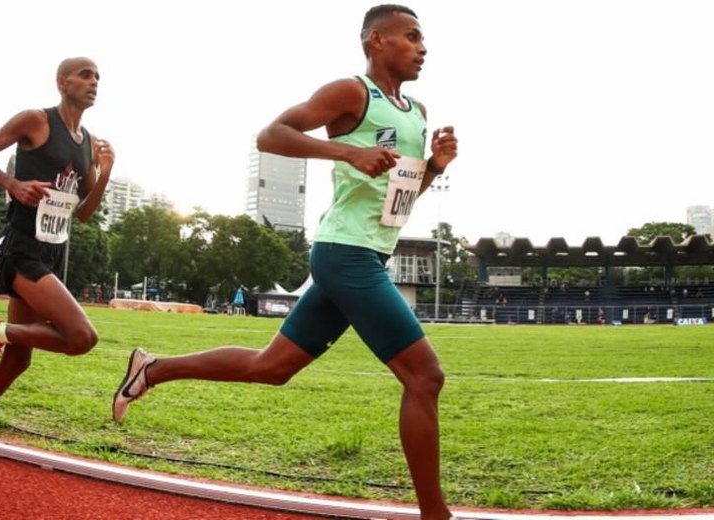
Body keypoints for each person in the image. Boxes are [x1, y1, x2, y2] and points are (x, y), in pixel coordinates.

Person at [112, 5, 458, 519]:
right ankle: (436, 515)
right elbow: (270, 134)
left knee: (270, 368)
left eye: (423, 39)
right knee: (425, 378)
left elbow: (400, 200)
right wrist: (346, 154)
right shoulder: (351, 93)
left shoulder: (417, 112)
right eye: (412, 36)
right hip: (345, 254)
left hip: (368, 254)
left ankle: (152, 369)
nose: (423, 47)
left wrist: (433, 166)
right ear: (376, 41)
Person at [0, 57, 113, 469]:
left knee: (17, 361)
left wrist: (104, 173)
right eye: (85, 74)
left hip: (51, 250)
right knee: (82, 337)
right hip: (20, 248)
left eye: (98, 76)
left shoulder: (88, 143)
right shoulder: (36, 121)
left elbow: (82, 214)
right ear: (62, 81)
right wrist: (12, 184)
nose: (94, 81)